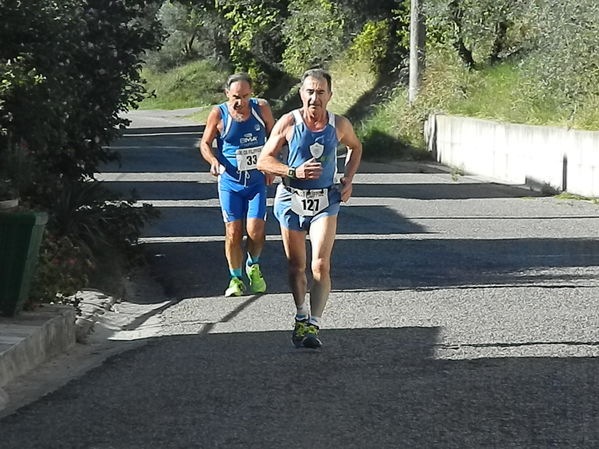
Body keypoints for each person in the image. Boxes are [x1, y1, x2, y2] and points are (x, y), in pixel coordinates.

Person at [257, 68, 362, 348]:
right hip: (291, 199)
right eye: (310, 91)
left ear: (330, 95)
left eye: (320, 92)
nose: (315, 97)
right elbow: (264, 160)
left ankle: (313, 325)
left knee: (320, 264)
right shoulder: (288, 122)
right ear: (301, 93)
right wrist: (293, 171)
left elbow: (355, 148)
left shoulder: (339, 125)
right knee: (296, 267)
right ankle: (301, 315)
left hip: (325, 201)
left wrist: (348, 179)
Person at [199, 73, 275, 297]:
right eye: (235, 97)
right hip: (230, 182)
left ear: (251, 93)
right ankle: (235, 279)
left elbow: (276, 135)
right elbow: (205, 143)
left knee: (255, 230)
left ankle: (254, 265)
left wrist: (272, 163)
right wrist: (213, 161)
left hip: (256, 182)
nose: (239, 102)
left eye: (244, 96)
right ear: (227, 94)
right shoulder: (219, 113)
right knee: (233, 232)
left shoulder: (261, 109)